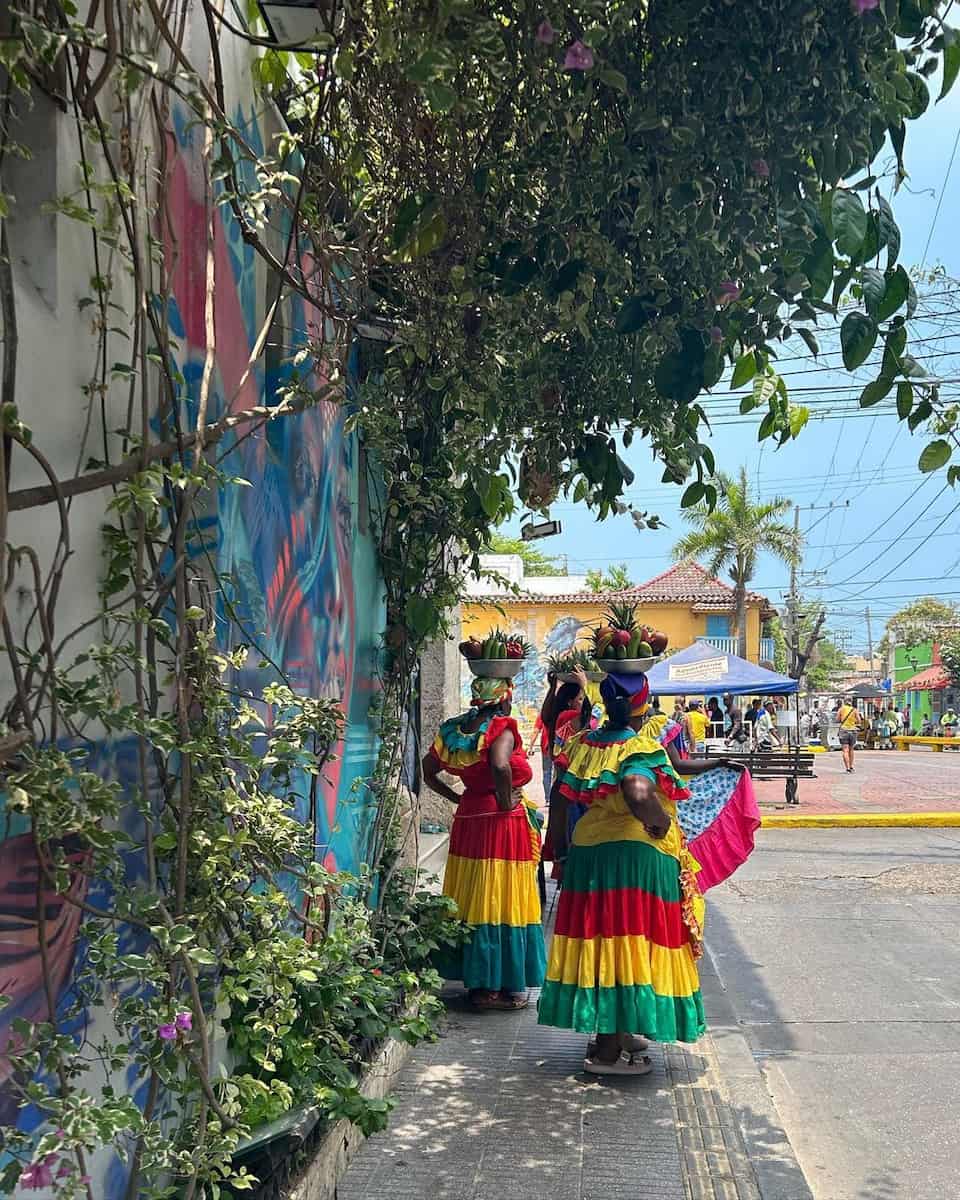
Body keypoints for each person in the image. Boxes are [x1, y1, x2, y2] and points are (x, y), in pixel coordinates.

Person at [539, 673, 744, 1074]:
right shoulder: (640, 747)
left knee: (601, 941)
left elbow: (559, 800)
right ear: (642, 707)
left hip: (588, 855)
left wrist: (559, 850)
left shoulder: (583, 744)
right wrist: (659, 822)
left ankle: (614, 1032)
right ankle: (609, 1054)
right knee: (628, 942)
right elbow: (636, 788)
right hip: (632, 860)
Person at [422, 676, 546, 1010]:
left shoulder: (457, 730)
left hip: (469, 817)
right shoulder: (501, 727)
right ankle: (496, 988)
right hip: (499, 824)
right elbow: (500, 764)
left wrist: (456, 797)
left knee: (474, 896)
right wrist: (506, 802)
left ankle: (479, 984)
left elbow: (427, 770)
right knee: (499, 896)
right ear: (504, 697)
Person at [836, 696, 860, 774]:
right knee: (851, 749)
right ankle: (851, 766)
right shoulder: (854, 710)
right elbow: (859, 721)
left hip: (844, 730)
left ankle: (847, 768)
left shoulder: (841, 709)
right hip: (853, 731)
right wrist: (853, 721)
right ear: (851, 701)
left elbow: (837, 720)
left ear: (844, 701)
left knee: (845, 750)